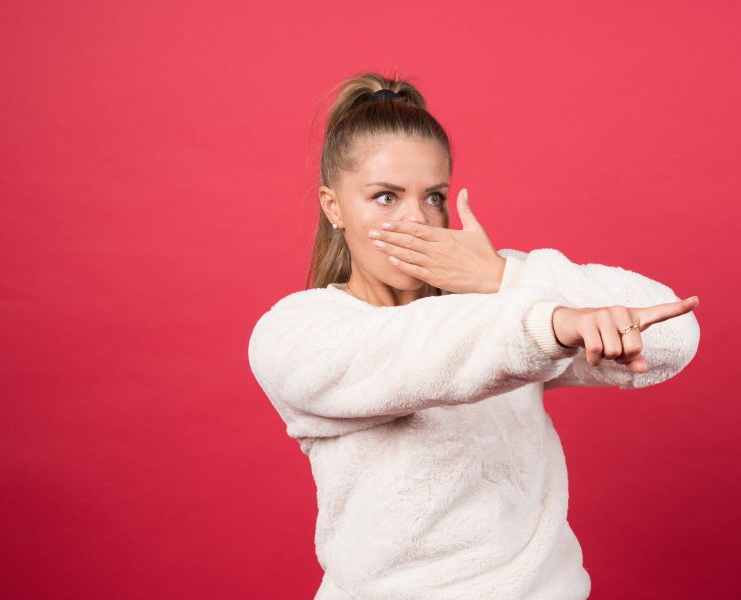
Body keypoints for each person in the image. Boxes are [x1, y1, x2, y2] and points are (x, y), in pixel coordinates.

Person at [247, 71, 701, 600]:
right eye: (386, 197)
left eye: (433, 197)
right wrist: (548, 323)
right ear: (334, 207)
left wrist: (504, 277)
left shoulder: (503, 293)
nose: (416, 221)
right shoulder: (296, 331)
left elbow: (674, 334)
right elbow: (414, 354)